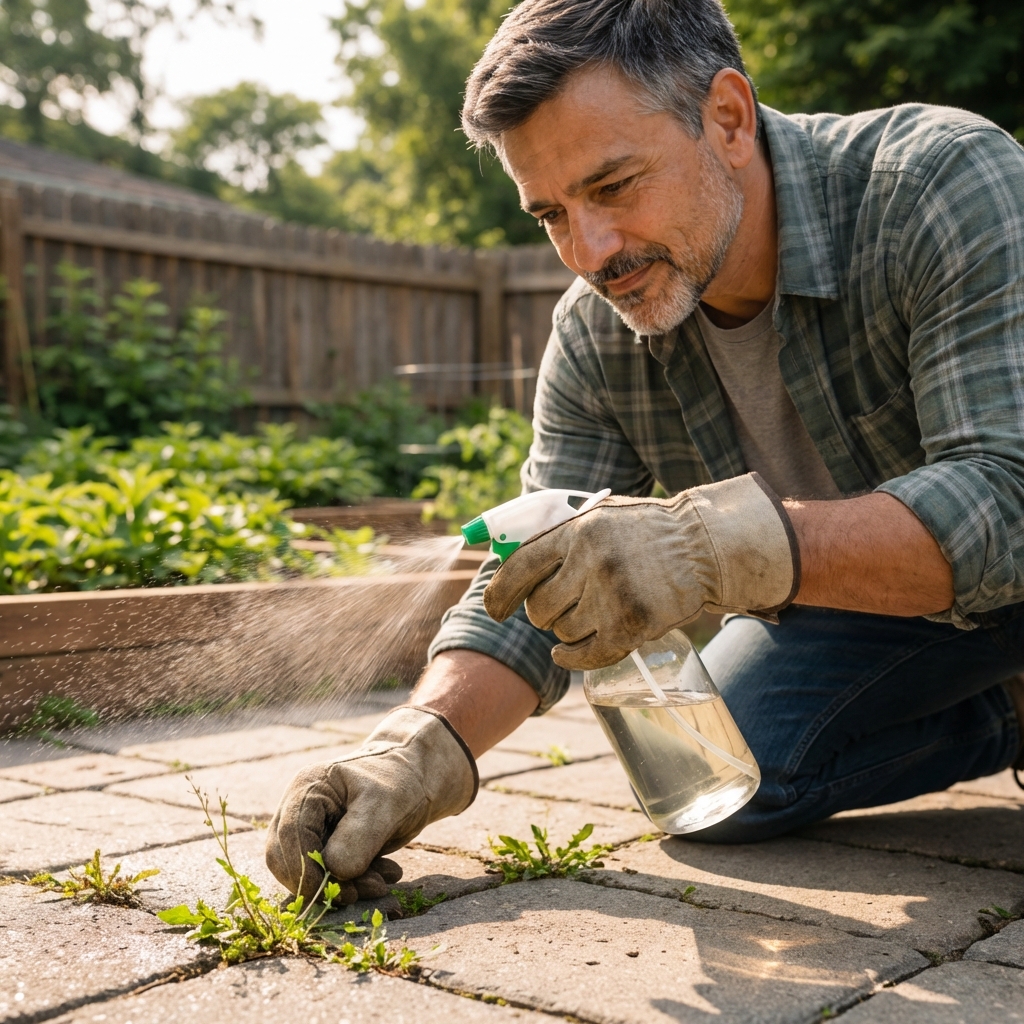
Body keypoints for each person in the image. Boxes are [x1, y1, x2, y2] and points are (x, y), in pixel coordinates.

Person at [266, 0, 1024, 900]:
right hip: (884, 604)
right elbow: (534, 569)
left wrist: (710, 548)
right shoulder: (596, 337)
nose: (589, 251)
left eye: (614, 185)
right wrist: (420, 746)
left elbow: (1007, 497)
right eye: (550, 213)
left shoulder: (941, 182)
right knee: (711, 780)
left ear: (728, 118)